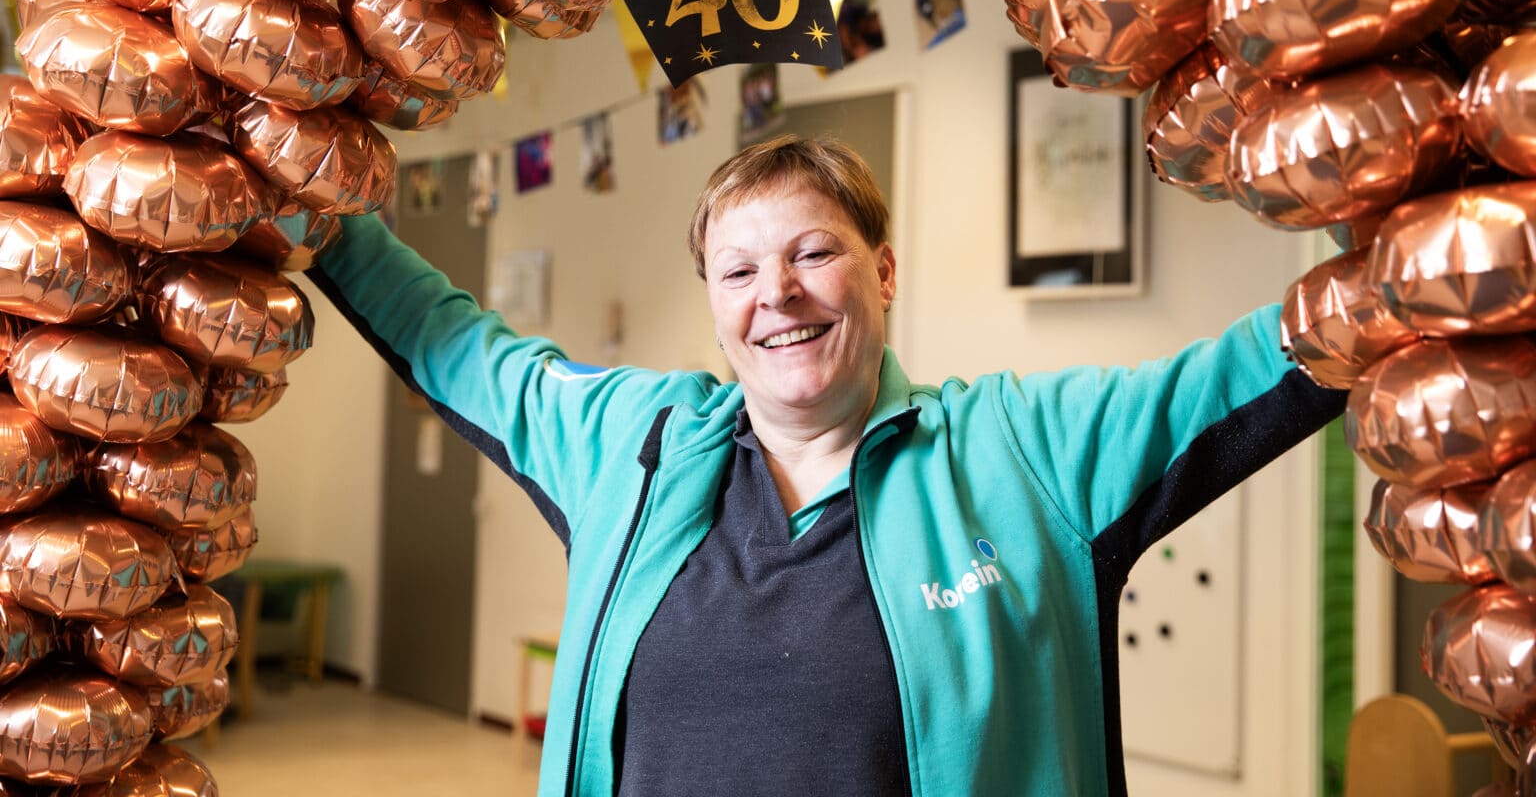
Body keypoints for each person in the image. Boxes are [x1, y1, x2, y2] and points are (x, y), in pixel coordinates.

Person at [307, 134, 1345, 797]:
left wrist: (1403, 228)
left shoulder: (1021, 451)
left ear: (882, 271)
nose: (777, 294)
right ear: (716, 304)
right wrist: (302, 187)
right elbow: (452, 341)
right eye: (739, 270)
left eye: (813, 253)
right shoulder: (633, 444)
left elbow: (1251, 367)